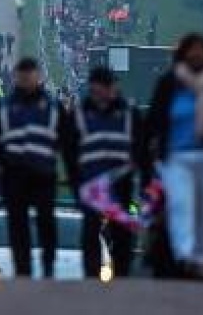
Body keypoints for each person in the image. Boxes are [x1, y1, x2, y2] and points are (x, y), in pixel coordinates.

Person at [145, 33, 203, 280]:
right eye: (190, 51)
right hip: (177, 155)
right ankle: (184, 254)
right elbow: (154, 118)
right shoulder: (169, 83)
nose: (195, 55)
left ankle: (200, 258)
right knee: (180, 203)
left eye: (199, 51)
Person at [0, 57, 74, 278]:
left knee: (45, 222)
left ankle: (48, 267)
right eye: (22, 76)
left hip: (43, 173)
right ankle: (23, 270)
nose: (26, 80)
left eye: (30, 76)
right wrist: (5, 159)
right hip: (15, 174)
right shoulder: (2, 107)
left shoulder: (53, 107)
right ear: (16, 78)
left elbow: (68, 139)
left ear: (38, 77)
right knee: (18, 224)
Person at [68, 65, 143, 279]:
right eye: (104, 86)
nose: (109, 90)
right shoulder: (80, 114)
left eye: (111, 86)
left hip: (122, 181)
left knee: (122, 232)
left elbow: (141, 145)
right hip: (91, 183)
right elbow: (70, 151)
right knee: (90, 230)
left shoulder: (129, 112)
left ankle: (121, 276)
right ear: (94, 87)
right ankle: (91, 276)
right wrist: (76, 183)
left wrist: (141, 174)